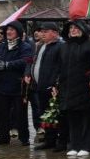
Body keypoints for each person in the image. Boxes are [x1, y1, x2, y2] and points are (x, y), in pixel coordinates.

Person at [0, 20, 34, 147]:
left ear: (18, 32)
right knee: (1, 113)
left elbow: (26, 61)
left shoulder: (25, 47)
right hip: (2, 86)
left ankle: (24, 137)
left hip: (18, 86)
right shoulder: (1, 46)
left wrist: (7, 65)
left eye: (12, 30)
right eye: (7, 30)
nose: (8, 32)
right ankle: (3, 136)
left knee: (20, 114)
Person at [57, 19, 90, 157]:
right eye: (71, 28)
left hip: (85, 86)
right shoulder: (65, 46)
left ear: (83, 29)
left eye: (76, 27)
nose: (73, 30)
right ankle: (74, 144)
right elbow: (60, 66)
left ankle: (87, 145)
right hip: (68, 87)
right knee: (72, 117)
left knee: (86, 116)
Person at [27, 22, 64, 151]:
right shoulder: (40, 46)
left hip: (52, 88)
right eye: (41, 31)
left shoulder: (60, 46)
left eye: (45, 31)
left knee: (55, 115)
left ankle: (60, 140)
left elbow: (61, 68)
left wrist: (55, 84)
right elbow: (33, 62)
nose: (42, 33)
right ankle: (49, 140)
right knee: (45, 114)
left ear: (55, 33)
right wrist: (29, 74)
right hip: (40, 86)